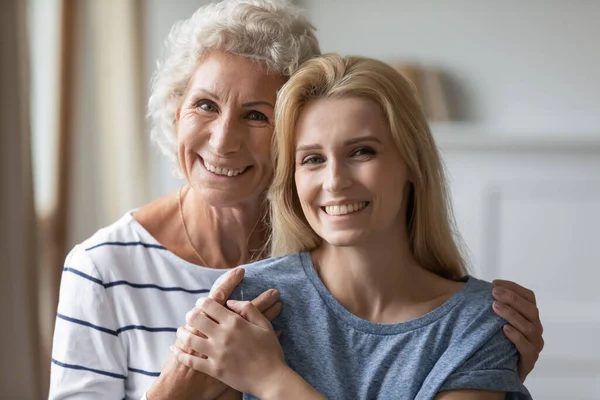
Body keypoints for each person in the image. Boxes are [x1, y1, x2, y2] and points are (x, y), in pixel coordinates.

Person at [49, 1, 543, 399]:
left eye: (258, 115)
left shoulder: (343, 260)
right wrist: (184, 379)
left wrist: (486, 355)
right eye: (204, 105)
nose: (223, 141)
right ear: (175, 113)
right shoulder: (107, 268)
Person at [172, 54, 534, 400]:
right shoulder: (250, 301)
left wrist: (272, 380)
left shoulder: (482, 323)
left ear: (412, 162)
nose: (334, 181)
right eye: (312, 159)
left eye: (361, 152)